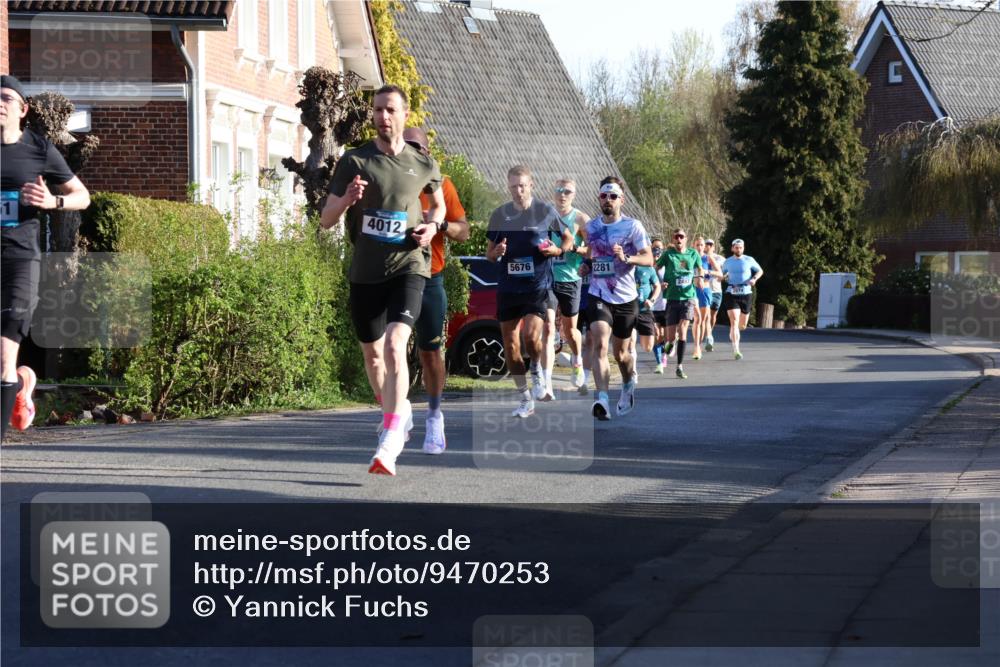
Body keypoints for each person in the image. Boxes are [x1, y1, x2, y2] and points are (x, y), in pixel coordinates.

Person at [321, 85, 445, 476]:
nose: (382, 116)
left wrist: (432, 227)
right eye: (377, 110)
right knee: (373, 357)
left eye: (390, 110)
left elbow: (438, 203)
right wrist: (346, 201)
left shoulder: (422, 163)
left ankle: (390, 440)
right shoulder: (356, 161)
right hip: (366, 272)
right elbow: (326, 219)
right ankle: (396, 410)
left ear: (403, 114)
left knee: (395, 346)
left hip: (409, 265)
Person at [1, 75, 91, 442]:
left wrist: (52, 202)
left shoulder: (38, 149)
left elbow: (81, 196)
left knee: (4, 351)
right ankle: (23, 384)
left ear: (22, 110)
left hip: (20, 260)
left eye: (6, 97)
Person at [402, 127, 470, 456]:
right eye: (407, 146)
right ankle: (397, 411)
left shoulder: (442, 186)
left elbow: (464, 231)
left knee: (429, 353)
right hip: (395, 275)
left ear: (428, 153)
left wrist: (439, 224)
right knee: (389, 348)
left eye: (418, 147)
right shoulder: (391, 179)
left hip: (431, 277)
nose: (412, 152)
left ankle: (433, 415)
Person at [485, 166, 570, 418]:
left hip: (537, 286)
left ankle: (537, 372)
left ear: (531, 185)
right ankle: (524, 398)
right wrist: (496, 253)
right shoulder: (500, 214)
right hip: (509, 287)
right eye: (513, 186)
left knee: (532, 338)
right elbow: (489, 254)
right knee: (510, 346)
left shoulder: (545, 211)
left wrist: (557, 251)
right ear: (508, 187)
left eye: (522, 186)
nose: (518, 191)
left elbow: (567, 239)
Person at [583, 177, 653, 420]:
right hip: (599, 294)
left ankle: (627, 384)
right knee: (600, 342)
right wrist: (585, 266)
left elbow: (648, 258)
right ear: (599, 199)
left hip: (626, 298)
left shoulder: (633, 226)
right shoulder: (591, 227)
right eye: (604, 196)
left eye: (613, 196)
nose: (608, 200)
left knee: (620, 355)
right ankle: (602, 399)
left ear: (621, 200)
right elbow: (591, 252)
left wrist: (628, 259)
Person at [547, 179, 590, 393]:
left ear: (574, 194)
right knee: (547, 326)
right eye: (559, 191)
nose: (562, 195)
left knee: (570, 329)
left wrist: (575, 248)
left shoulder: (581, 219)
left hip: (570, 279)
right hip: (547, 277)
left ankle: (577, 361)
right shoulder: (546, 216)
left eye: (567, 192)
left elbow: (593, 249)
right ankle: (544, 379)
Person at [656, 227, 703, 380]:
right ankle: (669, 347)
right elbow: (655, 268)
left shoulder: (693, 253)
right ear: (673, 239)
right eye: (676, 237)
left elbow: (699, 269)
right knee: (669, 339)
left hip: (688, 298)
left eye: (681, 236)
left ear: (686, 238)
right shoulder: (668, 254)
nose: (679, 239)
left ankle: (679, 366)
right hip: (671, 299)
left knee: (683, 330)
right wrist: (659, 283)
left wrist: (700, 278)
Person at [721, 238, 764, 360]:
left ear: (743, 248)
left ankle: (734, 332)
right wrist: (723, 277)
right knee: (734, 321)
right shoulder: (727, 262)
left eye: (740, 247)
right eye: (736, 247)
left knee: (742, 325)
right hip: (731, 292)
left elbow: (760, 270)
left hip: (746, 293)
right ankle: (736, 349)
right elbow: (721, 274)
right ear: (732, 248)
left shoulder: (749, 260)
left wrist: (754, 279)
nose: (738, 249)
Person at [691, 236, 720, 361]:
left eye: (701, 245)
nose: (699, 247)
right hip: (692, 290)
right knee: (696, 319)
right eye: (697, 245)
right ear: (694, 245)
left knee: (703, 319)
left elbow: (720, 273)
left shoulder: (707, 258)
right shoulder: (690, 257)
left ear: (704, 246)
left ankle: (701, 342)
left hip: (705, 290)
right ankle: (696, 346)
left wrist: (708, 272)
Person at [631, 260, 661, 378]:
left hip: (645, 310)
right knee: (630, 343)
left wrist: (652, 300)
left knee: (648, 347)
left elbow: (657, 286)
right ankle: (633, 371)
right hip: (628, 310)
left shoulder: (648, 268)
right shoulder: (624, 266)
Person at [649, 239, 669, 373]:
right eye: (655, 248)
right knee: (657, 334)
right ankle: (659, 363)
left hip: (667, 305)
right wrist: (656, 287)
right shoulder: (646, 266)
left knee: (665, 336)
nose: (657, 250)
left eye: (660, 248)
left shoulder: (667, 266)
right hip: (653, 307)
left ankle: (664, 354)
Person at [703, 239, 725, 351]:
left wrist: (723, 277)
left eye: (710, 244)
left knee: (713, 316)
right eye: (706, 244)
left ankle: (709, 332)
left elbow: (725, 273)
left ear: (713, 247)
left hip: (717, 290)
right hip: (706, 290)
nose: (708, 246)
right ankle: (709, 337)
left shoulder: (720, 258)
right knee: (707, 315)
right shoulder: (700, 257)